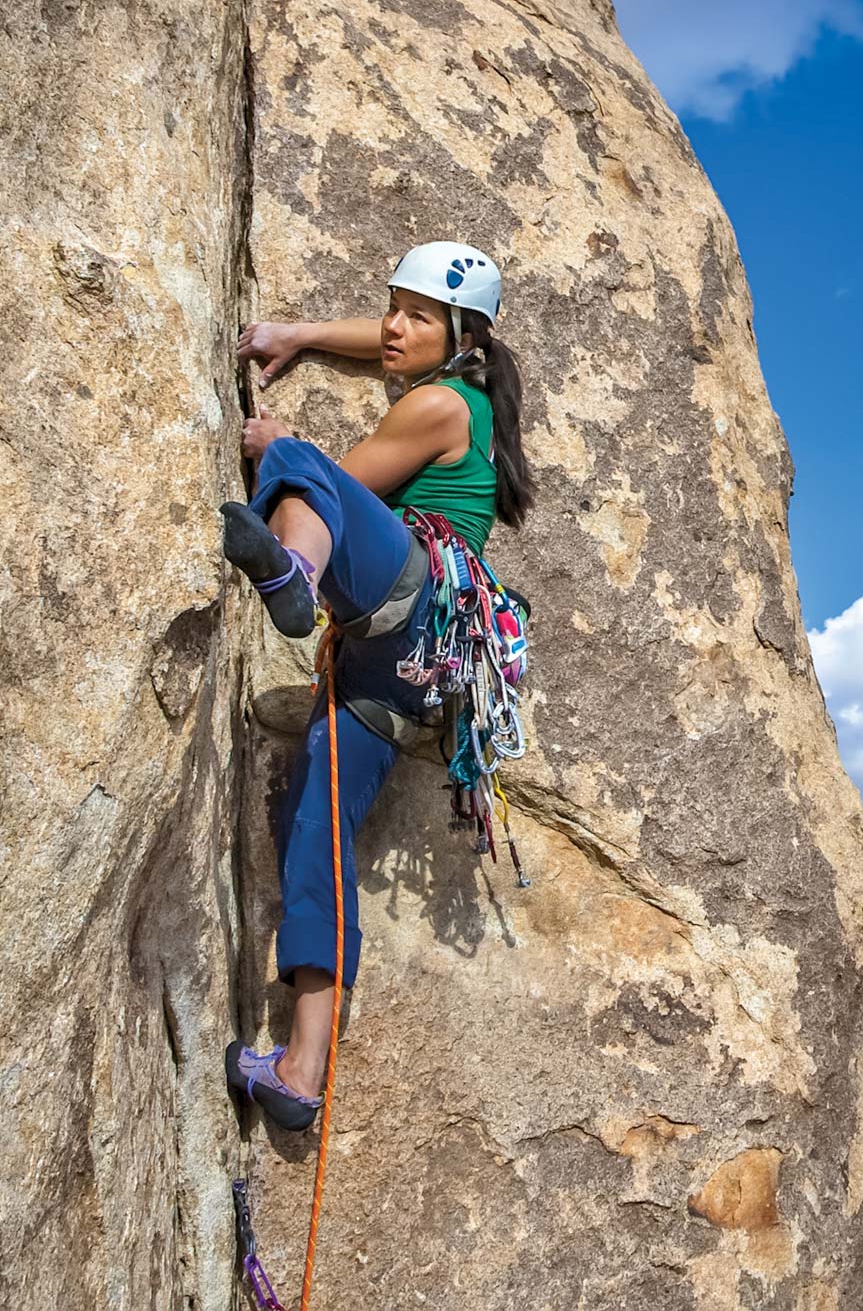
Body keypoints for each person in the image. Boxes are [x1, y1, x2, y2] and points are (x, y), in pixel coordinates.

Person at [221, 241, 534, 1131]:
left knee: (308, 473)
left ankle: (290, 570)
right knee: (315, 832)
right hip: (400, 667)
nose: (394, 327)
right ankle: (299, 1071)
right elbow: (394, 338)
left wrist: (278, 445)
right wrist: (304, 332)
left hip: (416, 592)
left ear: (462, 335)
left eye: (417, 314)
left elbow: (344, 483)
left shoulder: (441, 404)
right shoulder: (451, 379)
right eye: (390, 306)